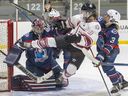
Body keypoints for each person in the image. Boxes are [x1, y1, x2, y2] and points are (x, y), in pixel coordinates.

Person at [30, 2, 101, 86]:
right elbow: (67, 23)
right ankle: (32, 44)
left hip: (79, 49)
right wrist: (60, 24)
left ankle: (63, 77)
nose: (83, 14)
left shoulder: (95, 26)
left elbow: (88, 41)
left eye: (85, 12)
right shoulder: (79, 18)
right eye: (83, 12)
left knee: (72, 69)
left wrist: (78, 38)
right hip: (68, 40)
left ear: (91, 13)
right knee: (52, 41)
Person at [13, 19, 65, 88]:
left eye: (41, 27)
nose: (39, 29)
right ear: (33, 27)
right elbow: (17, 47)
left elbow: (61, 34)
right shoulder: (27, 37)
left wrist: (60, 26)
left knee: (62, 80)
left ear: (44, 27)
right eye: (37, 27)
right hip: (33, 65)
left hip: (49, 62)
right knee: (38, 83)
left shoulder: (49, 33)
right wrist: (13, 56)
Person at [96, 9, 128, 94]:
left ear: (112, 19)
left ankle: (116, 84)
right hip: (103, 49)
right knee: (108, 68)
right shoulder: (103, 23)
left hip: (112, 51)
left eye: (107, 16)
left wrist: (101, 54)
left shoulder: (113, 31)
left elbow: (109, 45)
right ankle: (122, 81)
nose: (104, 16)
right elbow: (95, 19)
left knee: (107, 67)